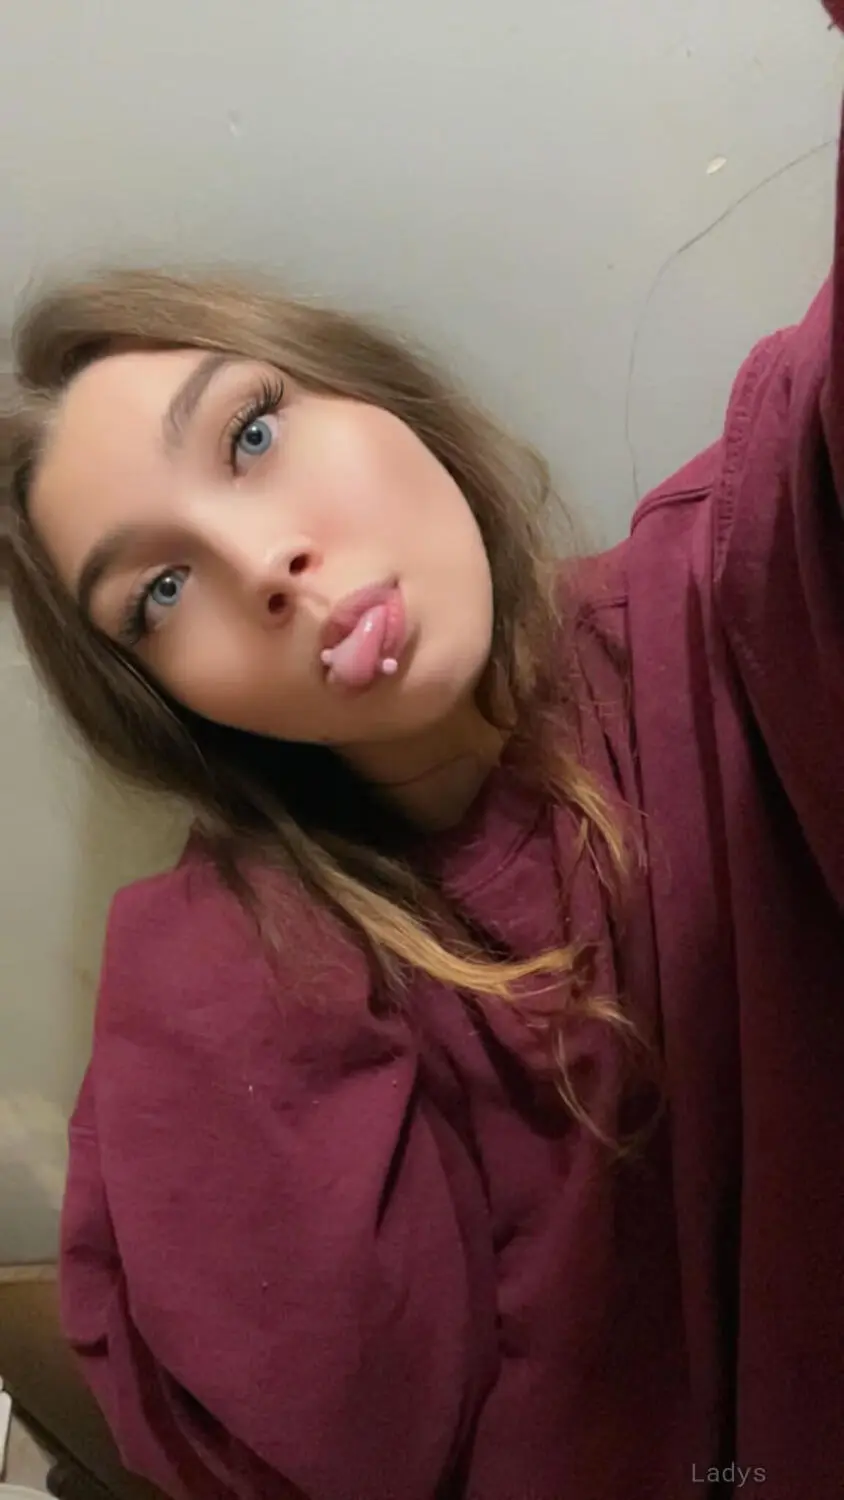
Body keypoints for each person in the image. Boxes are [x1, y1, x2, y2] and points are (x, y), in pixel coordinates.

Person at [4, 4, 844, 1493]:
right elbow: (318, 1439)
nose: (263, 565)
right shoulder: (244, 982)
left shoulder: (730, 586)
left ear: (380, 398)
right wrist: (222, 954)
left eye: (250, 435)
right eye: (162, 592)